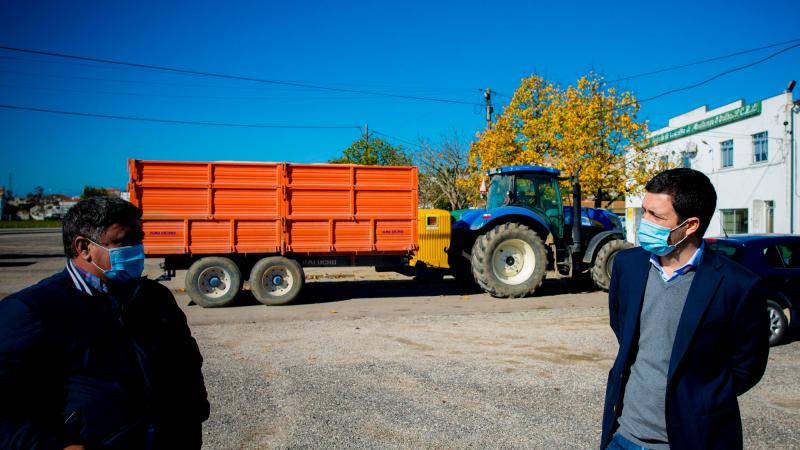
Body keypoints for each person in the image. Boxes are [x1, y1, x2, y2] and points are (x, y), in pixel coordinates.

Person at [0, 197, 209, 449]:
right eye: (124, 242)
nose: (137, 250)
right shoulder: (33, 310)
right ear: (83, 247)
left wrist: (194, 412)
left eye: (139, 240)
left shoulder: (155, 297)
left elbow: (186, 358)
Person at [600, 168, 769, 450]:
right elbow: (623, 329)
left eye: (657, 216)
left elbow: (747, 367)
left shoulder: (738, 285)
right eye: (645, 211)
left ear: (690, 225)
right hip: (622, 437)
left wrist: (701, 397)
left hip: (692, 440)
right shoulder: (627, 265)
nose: (645, 222)